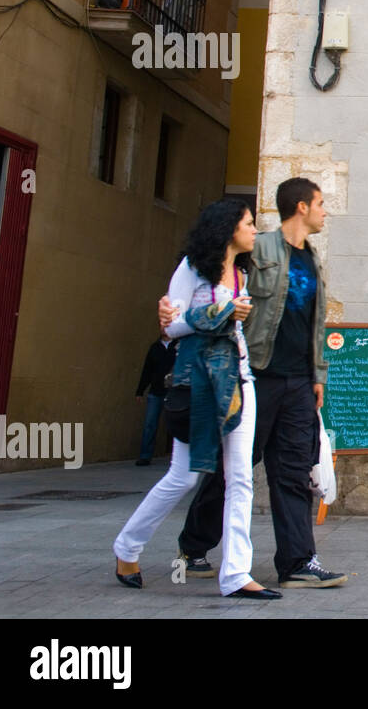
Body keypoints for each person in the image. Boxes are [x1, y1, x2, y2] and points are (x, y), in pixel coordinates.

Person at [161, 178, 345, 589]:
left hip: (298, 381)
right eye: (320, 203)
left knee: (295, 469)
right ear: (301, 206)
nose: (324, 211)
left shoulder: (313, 260)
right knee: (234, 468)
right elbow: (208, 271)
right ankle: (193, 547)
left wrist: (318, 374)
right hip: (255, 374)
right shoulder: (256, 248)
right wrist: (173, 309)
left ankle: (298, 561)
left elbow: (316, 324)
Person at [114, 199, 280, 599]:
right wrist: (223, 311)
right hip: (202, 384)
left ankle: (236, 574)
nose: (254, 230)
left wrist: (232, 314)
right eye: (248, 223)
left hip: (239, 381)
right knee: (184, 475)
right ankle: (127, 546)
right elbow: (171, 329)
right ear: (228, 229)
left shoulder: (241, 272)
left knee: (240, 477)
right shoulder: (191, 269)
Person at [134, 336, 177, 466]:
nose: (164, 328)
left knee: (176, 424)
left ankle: (177, 458)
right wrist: (140, 391)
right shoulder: (155, 347)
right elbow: (147, 369)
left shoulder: (179, 346)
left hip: (173, 391)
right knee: (150, 424)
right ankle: (145, 456)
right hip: (156, 391)